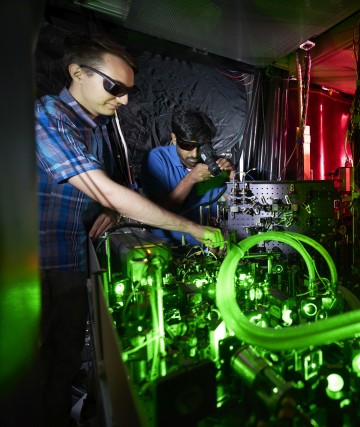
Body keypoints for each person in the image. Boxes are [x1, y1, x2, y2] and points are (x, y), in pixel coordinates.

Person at [34, 33, 223, 427]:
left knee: (64, 365)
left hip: (73, 261)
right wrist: (197, 231)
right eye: (114, 87)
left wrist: (109, 208)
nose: (123, 100)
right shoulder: (47, 119)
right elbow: (105, 187)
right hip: (38, 269)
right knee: (37, 374)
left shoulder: (97, 128)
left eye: (127, 91)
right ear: (77, 73)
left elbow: (103, 193)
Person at [141, 108, 236, 246]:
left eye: (201, 146)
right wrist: (191, 179)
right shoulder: (157, 159)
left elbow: (234, 209)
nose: (194, 154)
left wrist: (234, 180)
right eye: (187, 145)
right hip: (169, 247)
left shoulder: (214, 164)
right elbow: (156, 213)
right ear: (174, 138)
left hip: (210, 247)